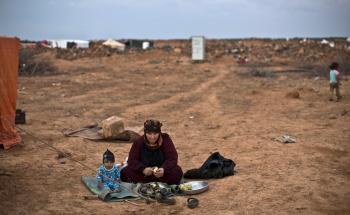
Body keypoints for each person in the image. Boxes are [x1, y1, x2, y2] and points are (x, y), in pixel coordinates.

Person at [121, 119, 183, 184]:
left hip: (162, 173)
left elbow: (172, 158)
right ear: (145, 133)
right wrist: (143, 169)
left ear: (159, 133)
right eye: (149, 134)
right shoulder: (139, 142)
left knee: (177, 172)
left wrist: (163, 169)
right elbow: (132, 160)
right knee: (125, 172)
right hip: (144, 174)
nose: (152, 137)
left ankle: (146, 182)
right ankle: (157, 182)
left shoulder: (166, 140)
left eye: (155, 133)